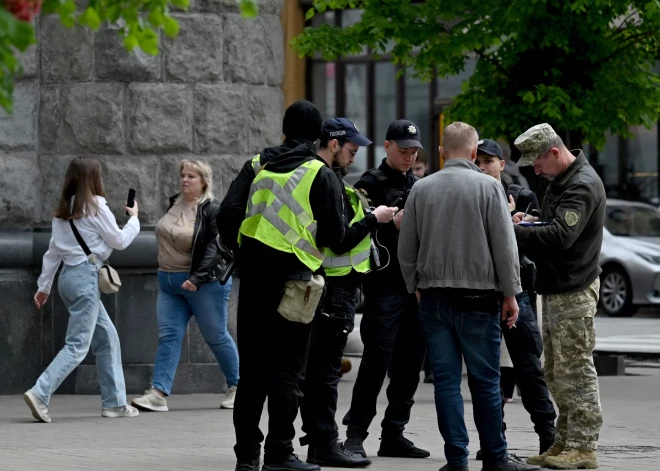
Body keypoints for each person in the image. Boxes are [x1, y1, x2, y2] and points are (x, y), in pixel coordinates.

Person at [397, 122, 541, 471]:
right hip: (478, 299)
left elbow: (407, 249)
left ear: (443, 152)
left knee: (446, 382)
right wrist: (511, 294)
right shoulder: (490, 187)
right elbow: (505, 248)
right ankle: (494, 457)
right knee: (486, 381)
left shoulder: (422, 189)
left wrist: (414, 285)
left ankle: (456, 459)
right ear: (475, 152)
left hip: (433, 296)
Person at [218, 100, 347, 471]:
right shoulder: (317, 173)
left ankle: (246, 458)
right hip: (296, 286)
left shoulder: (258, 165)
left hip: (255, 281)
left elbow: (227, 216)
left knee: (253, 371)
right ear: (319, 136)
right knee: (288, 371)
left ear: (284, 130)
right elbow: (336, 235)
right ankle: (279, 453)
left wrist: (246, 248)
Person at [300, 118, 397, 468]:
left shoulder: (323, 175)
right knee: (324, 373)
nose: (355, 154)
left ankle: (317, 442)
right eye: (351, 148)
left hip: (328, 286)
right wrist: (375, 220)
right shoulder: (324, 177)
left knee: (316, 371)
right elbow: (337, 240)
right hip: (334, 288)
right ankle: (325, 445)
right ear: (333, 143)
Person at [512, 123, 606, 470]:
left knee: (575, 369)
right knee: (555, 369)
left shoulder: (581, 184)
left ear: (554, 152)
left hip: (574, 287)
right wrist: (532, 219)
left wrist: (515, 230)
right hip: (558, 285)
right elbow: (551, 224)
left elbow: (561, 236)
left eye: (537, 164)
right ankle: (563, 441)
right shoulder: (562, 179)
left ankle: (583, 446)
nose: (534, 171)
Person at [26, 156, 140, 423]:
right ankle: (40, 393)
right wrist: (134, 219)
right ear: (94, 179)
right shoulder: (97, 207)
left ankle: (115, 403)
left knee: (107, 337)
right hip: (87, 279)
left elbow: (53, 252)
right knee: (77, 345)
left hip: (67, 279)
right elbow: (120, 241)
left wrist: (44, 287)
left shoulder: (65, 209)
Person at [342, 119, 429, 460]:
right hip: (384, 286)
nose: (409, 157)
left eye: (414, 152)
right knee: (376, 361)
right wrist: (389, 224)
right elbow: (355, 233)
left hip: (415, 287)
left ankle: (394, 432)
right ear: (387, 146)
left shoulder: (420, 185)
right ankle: (355, 434)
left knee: (411, 363)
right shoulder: (369, 184)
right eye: (404, 150)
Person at [131, 160, 239, 412]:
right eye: (182, 175)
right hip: (169, 283)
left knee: (216, 336)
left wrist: (197, 278)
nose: (185, 180)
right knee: (168, 337)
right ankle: (158, 393)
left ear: (204, 182)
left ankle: (238, 387)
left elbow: (216, 247)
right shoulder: (174, 204)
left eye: (191, 176)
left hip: (203, 285)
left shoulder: (211, 209)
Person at [475, 139, 557, 458]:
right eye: (477, 160)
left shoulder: (522, 196)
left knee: (529, 368)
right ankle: (494, 441)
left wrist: (516, 222)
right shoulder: (471, 195)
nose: (482, 166)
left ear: (501, 163)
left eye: (488, 161)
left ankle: (548, 436)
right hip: (480, 291)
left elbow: (540, 242)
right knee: (487, 373)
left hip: (518, 291)